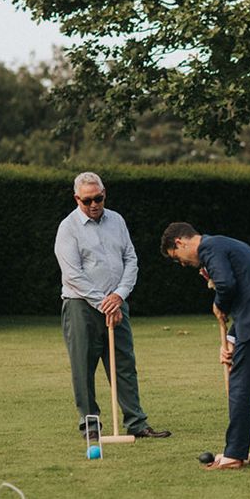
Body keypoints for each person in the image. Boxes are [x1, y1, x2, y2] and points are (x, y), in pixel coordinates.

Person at [161, 222, 250, 470]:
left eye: (177, 258)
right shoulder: (222, 243)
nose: (182, 263)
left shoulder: (209, 249)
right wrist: (232, 339)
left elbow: (227, 285)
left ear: (180, 242)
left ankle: (234, 454)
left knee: (240, 383)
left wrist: (219, 303)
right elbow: (246, 287)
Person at [54, 172, 170, 441]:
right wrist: (104, 303)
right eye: (87, 200)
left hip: (118, 304)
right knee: (83, 366)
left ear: (104, 193)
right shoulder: (68, 228)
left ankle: (137, 422)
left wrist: (119, 295)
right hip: (81, 306)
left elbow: (131, 259)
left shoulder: (116, 220)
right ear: (76, 199)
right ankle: (90, 423)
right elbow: (72, 274)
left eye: (99, 198)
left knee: (124, 364)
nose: (94, 204)